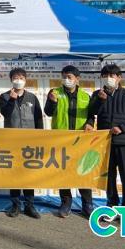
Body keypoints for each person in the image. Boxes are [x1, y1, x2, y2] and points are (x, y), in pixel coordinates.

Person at [86, 64, 125, 225]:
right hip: (104, 143)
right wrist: (98, 103)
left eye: (112, 75)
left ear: (119, 78)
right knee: (109, 177)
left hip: (124, 143)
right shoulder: (97, 94)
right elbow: (91, 113)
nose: (108, 78)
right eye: (105, 76)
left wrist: (122, 128)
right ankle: (111, 207)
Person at [44, 65, 94, 218]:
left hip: (81, 140)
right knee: (63, 172)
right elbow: (48, 112)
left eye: (69, 77)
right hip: (62, 140)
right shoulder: (55, 93)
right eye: (64, 77)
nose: (66, 80)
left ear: (77, 79)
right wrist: (52, 102)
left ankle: (87, 204)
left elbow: (91, 115)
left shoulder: (85, 96)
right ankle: (66, 203)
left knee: (83, 171)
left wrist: (90, 123)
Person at [0, 68, 43, 219]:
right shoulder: (4, 96)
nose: (18, 80)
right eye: (16, 77)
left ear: (25, 80)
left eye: (21, 77)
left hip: (30, 143)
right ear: (11, 80)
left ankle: (30, 205)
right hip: (12, 142)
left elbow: (38, 119)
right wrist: (12, 99)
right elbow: (5, 113)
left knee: (29, 174)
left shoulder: (32, 97)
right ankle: (16, 205)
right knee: (15, 174)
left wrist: (40, 138)